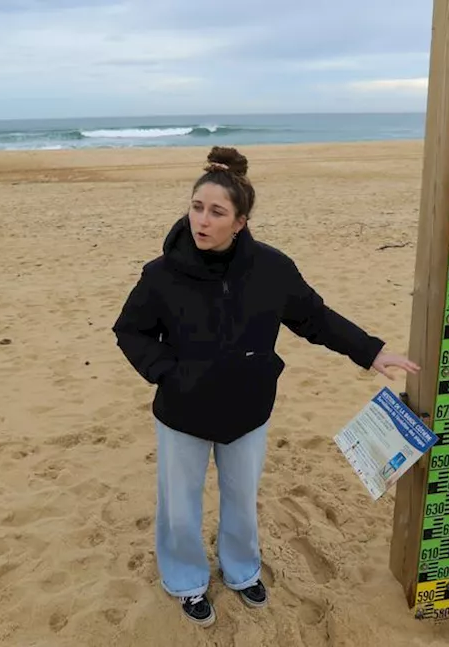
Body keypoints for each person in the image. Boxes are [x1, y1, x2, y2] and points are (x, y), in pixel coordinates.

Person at [111, 145, 419, 627]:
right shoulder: (161, 275)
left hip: (248, 409)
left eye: (216, 212)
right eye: (196, 207)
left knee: (240, 499)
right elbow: (130, 330)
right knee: (178, 505)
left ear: (241, 222)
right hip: (182, 413)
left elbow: (314, 318)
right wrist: (169, 372)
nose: (202, 221)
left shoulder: (272, 270)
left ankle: (240, 570)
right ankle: (187, 580)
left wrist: (371, 350)